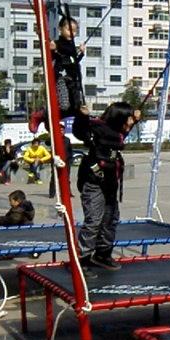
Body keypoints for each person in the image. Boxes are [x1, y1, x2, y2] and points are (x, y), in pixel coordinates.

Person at [73, 102, 140, 271]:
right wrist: (82, 116)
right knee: (94, 221)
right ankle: (82, 261)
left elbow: (123, 133)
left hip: (110, 182)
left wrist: (136, 119)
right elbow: (80, 132)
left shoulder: (117, 132)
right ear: (119, 118)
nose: (131, 122)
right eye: (129, 118)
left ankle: (102, 254)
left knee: (110, 219)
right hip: (94, 181)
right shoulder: (97, 128)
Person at [29, 16, 85, 132]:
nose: (72, 33)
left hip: (72, 81)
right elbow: (53, 52)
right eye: (69, 30)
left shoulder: (71, 47)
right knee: (64, 105)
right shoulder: (58, 43)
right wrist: (52, 47)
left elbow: (72, 62)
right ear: (60, 29)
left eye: (75, 31)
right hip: (61, 78)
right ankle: (41, 114)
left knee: (75, 108)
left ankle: (48, 121)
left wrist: (81, 54)